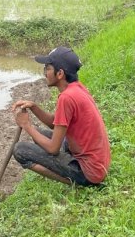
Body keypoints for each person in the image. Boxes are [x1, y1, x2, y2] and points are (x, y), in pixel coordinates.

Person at [12, 47, 110, 186]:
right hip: (97, 163)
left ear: (60, 74)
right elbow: (55, 123)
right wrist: (34, 107)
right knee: (38, 134)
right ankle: (68, 168)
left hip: (89, 172)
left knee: (20, 151)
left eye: (48, 68)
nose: (45, 73)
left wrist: (26, 125)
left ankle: (76, 183)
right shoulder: (76, 88)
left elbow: (53, 148)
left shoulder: (66, 98)